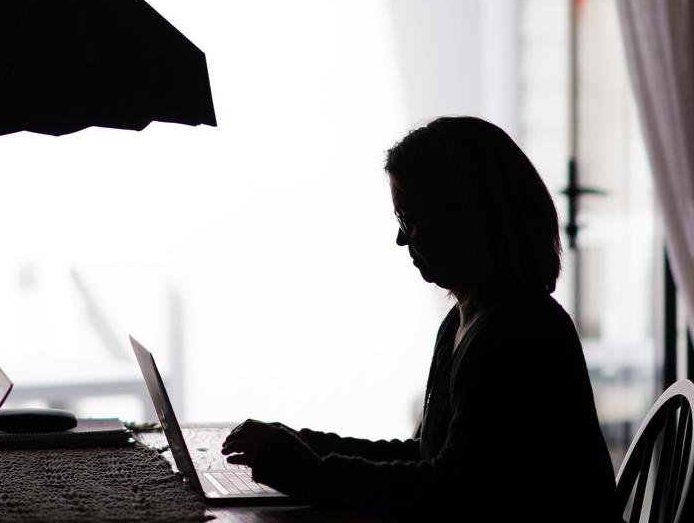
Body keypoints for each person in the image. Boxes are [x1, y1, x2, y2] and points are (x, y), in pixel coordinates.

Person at [222, 116, 619, 521]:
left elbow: (448, 490)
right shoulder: (470, 320)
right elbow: (429, 456)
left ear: (464, 218)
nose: (401, 239)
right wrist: (302, 446)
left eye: (408, 219)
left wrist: (303, 467)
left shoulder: (516, 335)